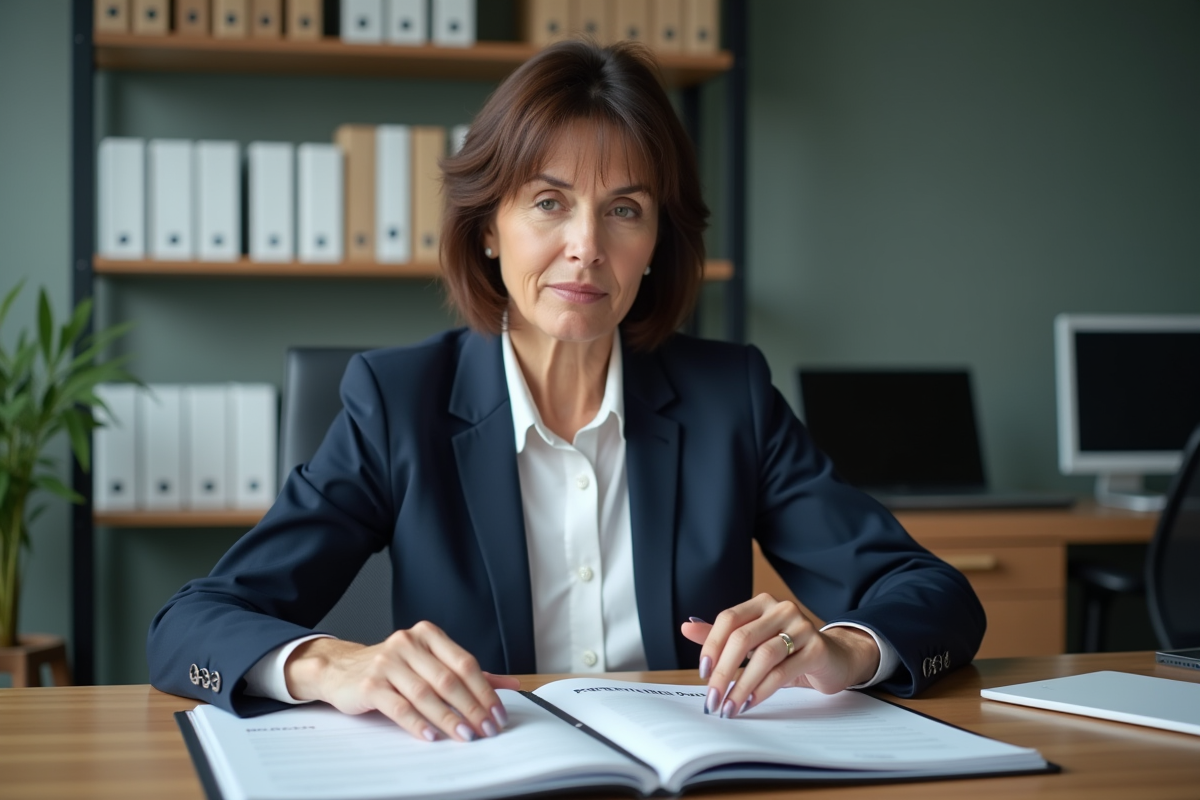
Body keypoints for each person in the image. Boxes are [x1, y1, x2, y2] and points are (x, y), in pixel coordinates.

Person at [148, 40, 985, 744]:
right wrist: (336, 664)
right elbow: (190, 625)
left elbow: (936, 597)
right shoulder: (396, 401)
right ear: (487, 227)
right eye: (550, 202)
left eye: (624, 210)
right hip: (485, 775)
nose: (586, 248)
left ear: (656, 241)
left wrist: (844, 648)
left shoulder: (730, 395)